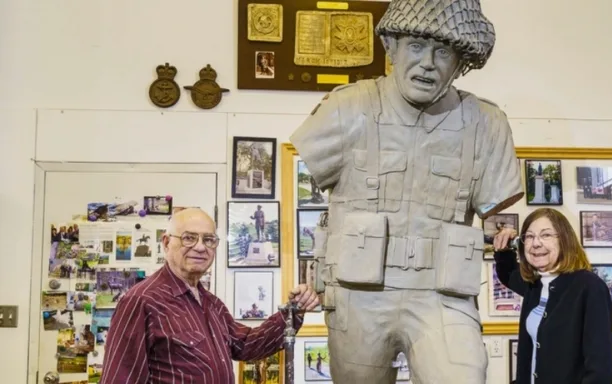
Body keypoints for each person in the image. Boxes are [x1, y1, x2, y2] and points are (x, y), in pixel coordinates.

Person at [289, 0, 524, 382]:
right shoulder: (347, 108)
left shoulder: (486, 124)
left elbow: (495, 198)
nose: (428, 62)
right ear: (393, 47)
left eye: (443, 51)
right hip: (358, 295)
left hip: (443, 297)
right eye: (416, 45)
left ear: (459, 61)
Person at [100, 208, 319, 383]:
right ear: (167, 243)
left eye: (208, 240)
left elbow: (247, 345)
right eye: (189, 238)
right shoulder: (141, 301)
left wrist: (294, 311)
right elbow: (120, 378)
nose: (200, 247)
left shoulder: (211, 303)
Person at [493, 208, 612, 384]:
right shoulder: (535, 285)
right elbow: (507, 274)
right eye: (529, 236)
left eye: (546, 235)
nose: (536, 243)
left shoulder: (590, 287)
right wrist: (503, 246)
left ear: (564, 240)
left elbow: (600, 371)